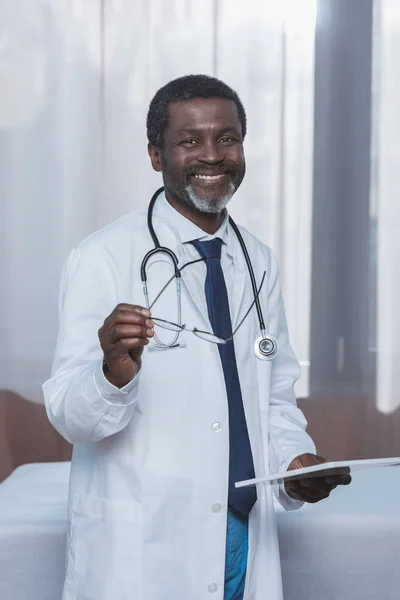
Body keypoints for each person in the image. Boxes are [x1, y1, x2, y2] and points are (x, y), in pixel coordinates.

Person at [43, 74, 351, 600]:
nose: (213, 155)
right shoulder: (103, 257)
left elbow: (274, 393)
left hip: (241, 528)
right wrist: (111, 374)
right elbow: (70, 418)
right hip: (145, 541)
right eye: (190, 141)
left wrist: (295, 463)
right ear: (155, 155)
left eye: (227, 138)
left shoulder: (257, 262)